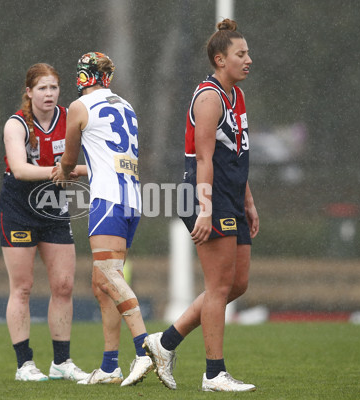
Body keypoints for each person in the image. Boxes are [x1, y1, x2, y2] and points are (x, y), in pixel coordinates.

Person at [143, 19, 259, 392]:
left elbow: (237, 154)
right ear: (220, 59)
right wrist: (205, 210)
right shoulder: (209, 98)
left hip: (230, 197)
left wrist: (249, 202)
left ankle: (164, 343)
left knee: (235, 284)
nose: (248, 60)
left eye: (247, 53)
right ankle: (213, 373)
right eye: (241, 54)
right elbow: (204, 160)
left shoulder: (236, 95)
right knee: (219, 287)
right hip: (204, 197)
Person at [52, 52, 154, 386]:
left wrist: (64, 172)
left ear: (82, 76)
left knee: (109, 277)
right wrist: (79, 169)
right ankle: (110, 367)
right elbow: (110, 159)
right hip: (132, 201)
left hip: (107, 201)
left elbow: (68, 158)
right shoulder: (126, 106)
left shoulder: (78, 108)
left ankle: (146, 349)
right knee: (101, 285)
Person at [0, 63, 89, 382]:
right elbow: (20, 170)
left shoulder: (71, 118)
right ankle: (25, 365)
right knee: (22, 287)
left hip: (53, 207)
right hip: (18, 209)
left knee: (63, 285)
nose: (49, 94)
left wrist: (82, 170)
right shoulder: (17, 124)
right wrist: (61, 171)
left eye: (53, 88)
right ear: (29, 92)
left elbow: (91, 164)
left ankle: (61, 362)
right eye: (42, 89)